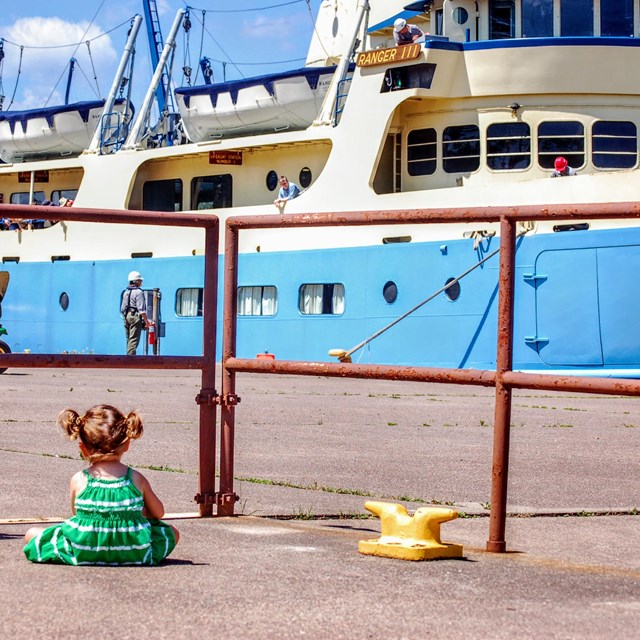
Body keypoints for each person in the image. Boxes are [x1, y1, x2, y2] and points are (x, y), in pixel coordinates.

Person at [23, 404, 179, 566]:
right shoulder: (136, 479)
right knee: (172, 532)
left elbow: (77, 514)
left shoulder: (79, 479)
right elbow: (159, 513)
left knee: (31, 534)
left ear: (83, 448)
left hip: (84, 549)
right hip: (134, 551)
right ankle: (129, 549)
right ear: (126, 444)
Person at [121, 271, 150, 355]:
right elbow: (141, 310)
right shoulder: (139, 292)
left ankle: (128, 356)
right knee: (133, 340)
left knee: (129, 339)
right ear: (135, 281)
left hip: (126, 316)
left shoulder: (126, 292)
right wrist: (146, 322)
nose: (141, 282)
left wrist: (125, 317)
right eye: (140, 280)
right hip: (135, 317)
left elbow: (122, 308)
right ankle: (131, 360)